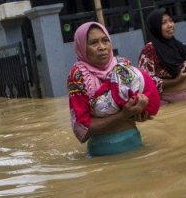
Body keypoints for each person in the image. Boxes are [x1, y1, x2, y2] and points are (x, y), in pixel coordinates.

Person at [67, 22, 157, 157]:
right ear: (82, 47)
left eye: (105, 40)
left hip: (134, 142)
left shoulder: (123, 65)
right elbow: (83, 130)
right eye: (93, 43)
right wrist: (123, 115)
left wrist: (141, 112)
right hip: (103, 154)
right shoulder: (78, 77)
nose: (102, 47)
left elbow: (139, 107)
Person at [138, 8, 186, 104]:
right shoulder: (149, 50)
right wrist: (177, 80)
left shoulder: (177, 45)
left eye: (171, 20)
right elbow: (145, 82)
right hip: (166, 104)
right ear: (155, 27)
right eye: (164, 23)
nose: (170, 25)